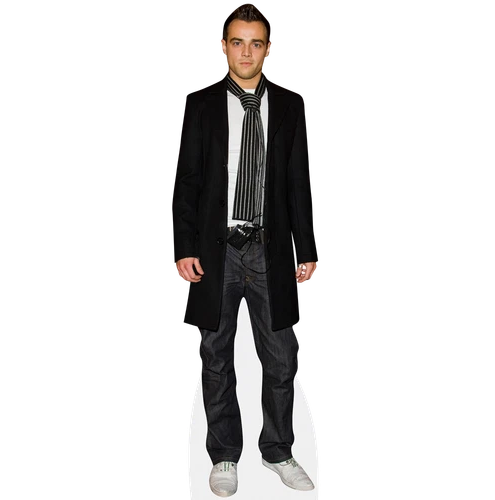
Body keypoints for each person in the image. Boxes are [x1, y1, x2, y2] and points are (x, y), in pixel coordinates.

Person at [171, 1, 318, 496]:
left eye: (256, 44)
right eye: (237, 43)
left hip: (270, 249)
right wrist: (182, 248)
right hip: (215, 252)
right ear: (223, 47)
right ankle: (224, 455)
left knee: (281, 356)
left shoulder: (292, 105)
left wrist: (308, 251)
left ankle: (277, 450)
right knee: (214, 357)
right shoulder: (201, 103)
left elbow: (300, 184)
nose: (247, 53)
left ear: (269, 49)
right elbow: (186, 182)